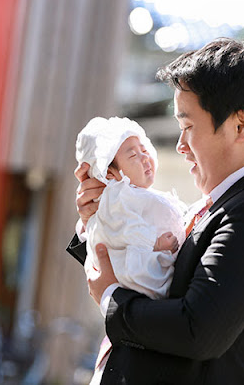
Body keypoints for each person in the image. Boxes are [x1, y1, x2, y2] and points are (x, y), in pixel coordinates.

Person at [67, 37, 244, 384]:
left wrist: (110, 296)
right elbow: (156, 280)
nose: (180, 146)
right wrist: (97, 221)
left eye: (187, 127)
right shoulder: (240, 197)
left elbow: (195, 330)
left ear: (241, 127)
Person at [75, 116, 188, 383]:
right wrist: (154, 243)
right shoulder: (119, 198)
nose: (146, 157)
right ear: (112, 174)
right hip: (137, 288)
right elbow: (123, 231)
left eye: (144, 150)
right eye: (133, 155)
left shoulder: (138, 198)